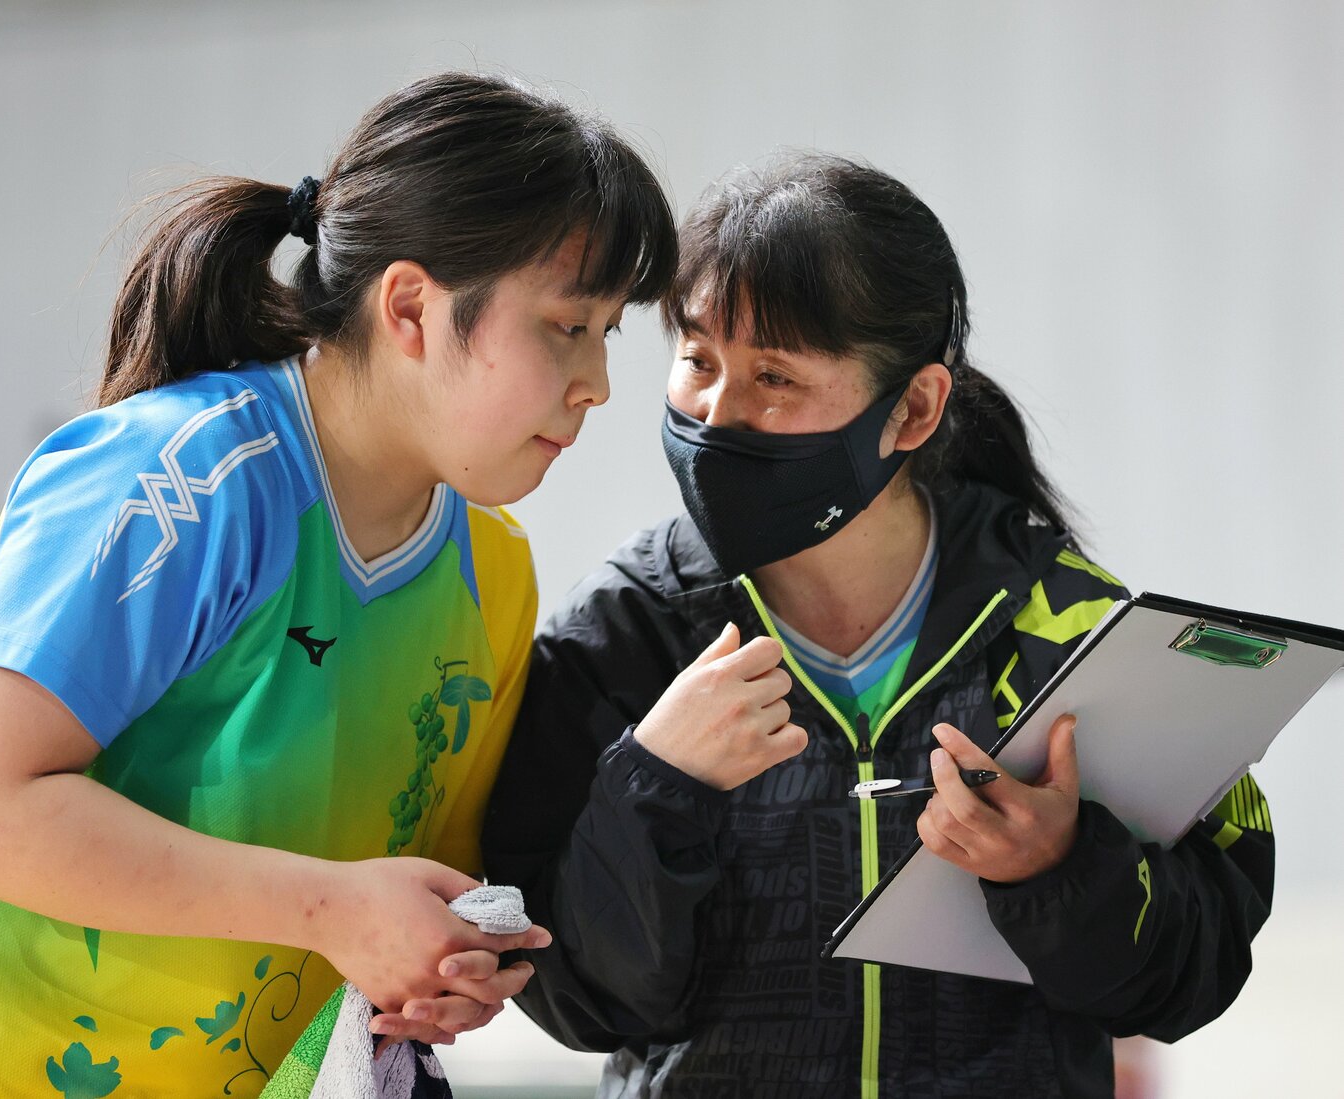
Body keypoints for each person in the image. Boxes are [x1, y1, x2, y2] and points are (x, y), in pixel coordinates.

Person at [0, 72, 675, 1097]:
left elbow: (416, 895)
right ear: (410, 307)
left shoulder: (494, 573)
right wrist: (332, 908)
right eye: (566, 325)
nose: (598, 384)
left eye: (608, 332)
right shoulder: (178, 482)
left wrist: (442, 965)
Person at [468, 154, 1275, 1098]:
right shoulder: (621, 635)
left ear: (915, 408)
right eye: (698, 362)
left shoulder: (1064, 625)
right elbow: (580, 1001)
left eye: (775, 376)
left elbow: (1199, 967)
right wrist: (657, 782)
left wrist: (1061, 868)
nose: (720, 415)